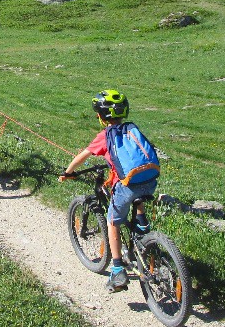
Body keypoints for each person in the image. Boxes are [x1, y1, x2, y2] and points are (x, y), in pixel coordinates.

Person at [60, 90, 160, 292]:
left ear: (100, 116)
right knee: (134, 192)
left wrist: (68, 172)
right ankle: (142, 224)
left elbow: (83, 156)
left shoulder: (105, 136)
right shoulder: (132, 128)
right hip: (150, 179)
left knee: (112, 221)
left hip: (128, 185)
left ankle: (117, 270)